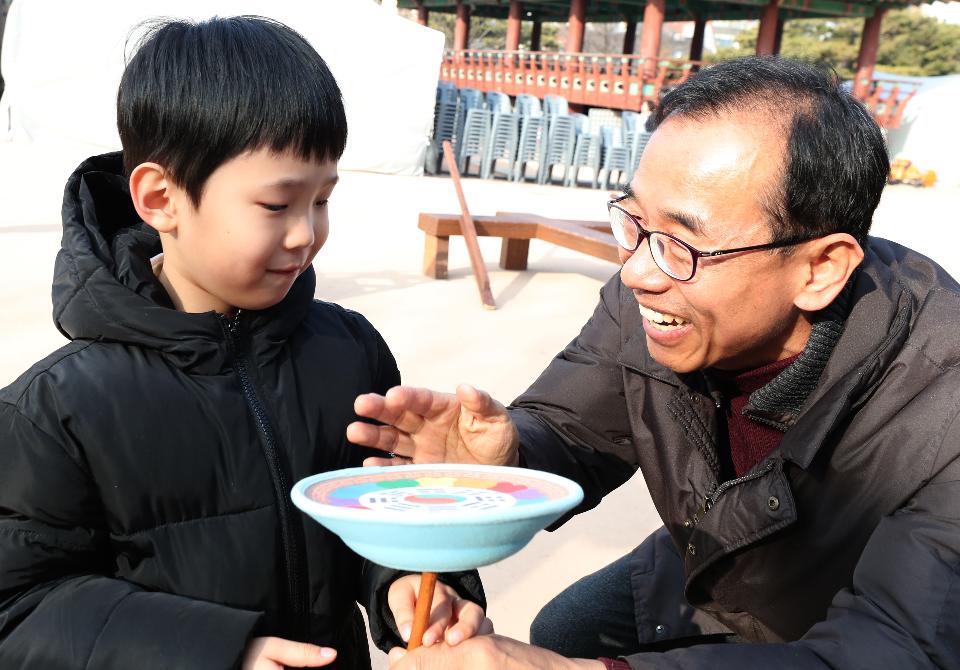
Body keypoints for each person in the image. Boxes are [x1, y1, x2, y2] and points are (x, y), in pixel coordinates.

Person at [348, 56, 960, 669]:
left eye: (682, 242)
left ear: (819, 269)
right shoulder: (658, 298)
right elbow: (572, 424)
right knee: (568, 627)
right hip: (716, 561)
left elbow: (901, 646)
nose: (636, 271)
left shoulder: (941, 399)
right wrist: (509, 456)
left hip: (848, 617)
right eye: (635, 220)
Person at [0, 16, 488, 670]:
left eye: (320, 200)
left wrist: (415, 584)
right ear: (161, 198)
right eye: (277, 204)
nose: (306, 234)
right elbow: (20, 607)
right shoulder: (53, 411)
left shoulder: (350, 352)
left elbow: (385, 508)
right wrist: (222, 652)